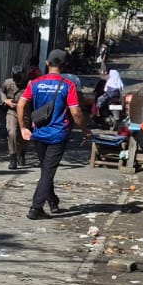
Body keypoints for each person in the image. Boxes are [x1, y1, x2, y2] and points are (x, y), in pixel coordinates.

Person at [17, 49, 86, 219]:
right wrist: (86, 130)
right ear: (64, 65)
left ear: (47, 63)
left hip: (39, 132)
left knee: (46, 169)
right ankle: (36, 208)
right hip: (58, 134)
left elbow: (21, 104)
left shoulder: (34, 83)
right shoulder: (68, 85)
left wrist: (23, 127)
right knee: (48, 171)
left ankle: (53, 202)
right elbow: (76, 112)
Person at [0, 65, 27, 171]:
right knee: (12, 133)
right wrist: (5, 100)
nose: (18, 82)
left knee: (23, 136)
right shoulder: (7, 83)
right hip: (12, 111)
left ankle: (22, 153)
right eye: (16, 79)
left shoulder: (29, 84)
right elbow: (2, 91)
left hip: (25, 112)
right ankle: (13, 159)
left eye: (20, 79)